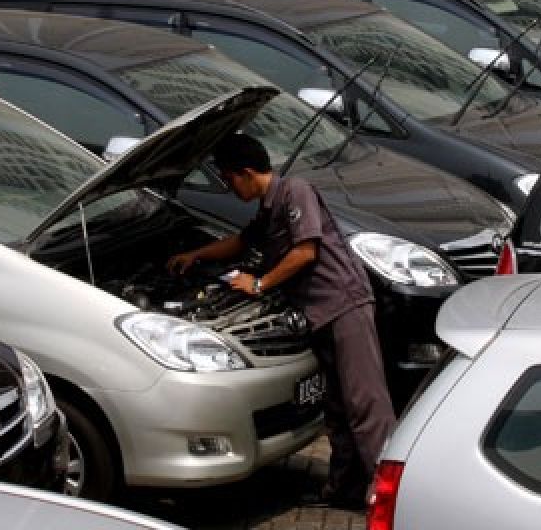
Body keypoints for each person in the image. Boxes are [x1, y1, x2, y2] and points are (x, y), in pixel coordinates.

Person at [167, 133, 395, 510]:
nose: (228, 188)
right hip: (318, 315)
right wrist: (195, 254)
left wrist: (259, 283)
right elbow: (241, 243)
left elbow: (306, 251)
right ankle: (345, 489)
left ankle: (391, 495)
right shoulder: (269, 208)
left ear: (244, 173)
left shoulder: (295, 192)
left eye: (228, 180)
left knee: (366, 405)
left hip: (344, 305)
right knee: (338, 408)